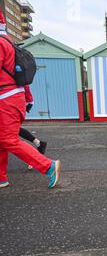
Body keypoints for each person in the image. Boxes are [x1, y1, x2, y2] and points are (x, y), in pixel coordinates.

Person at [0, 11, 60, 189]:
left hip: (6, 100)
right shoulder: (8, 41)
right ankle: (1, 177)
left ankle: (48, 166)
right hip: (11, 99)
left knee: (8, 139)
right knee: (3, 138)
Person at [20, 86, 47, 170]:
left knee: (10, 134)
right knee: (11, 131)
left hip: (17, 101)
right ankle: (38, 144)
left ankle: (36, 158)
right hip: (17, 100)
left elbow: (23, 83)